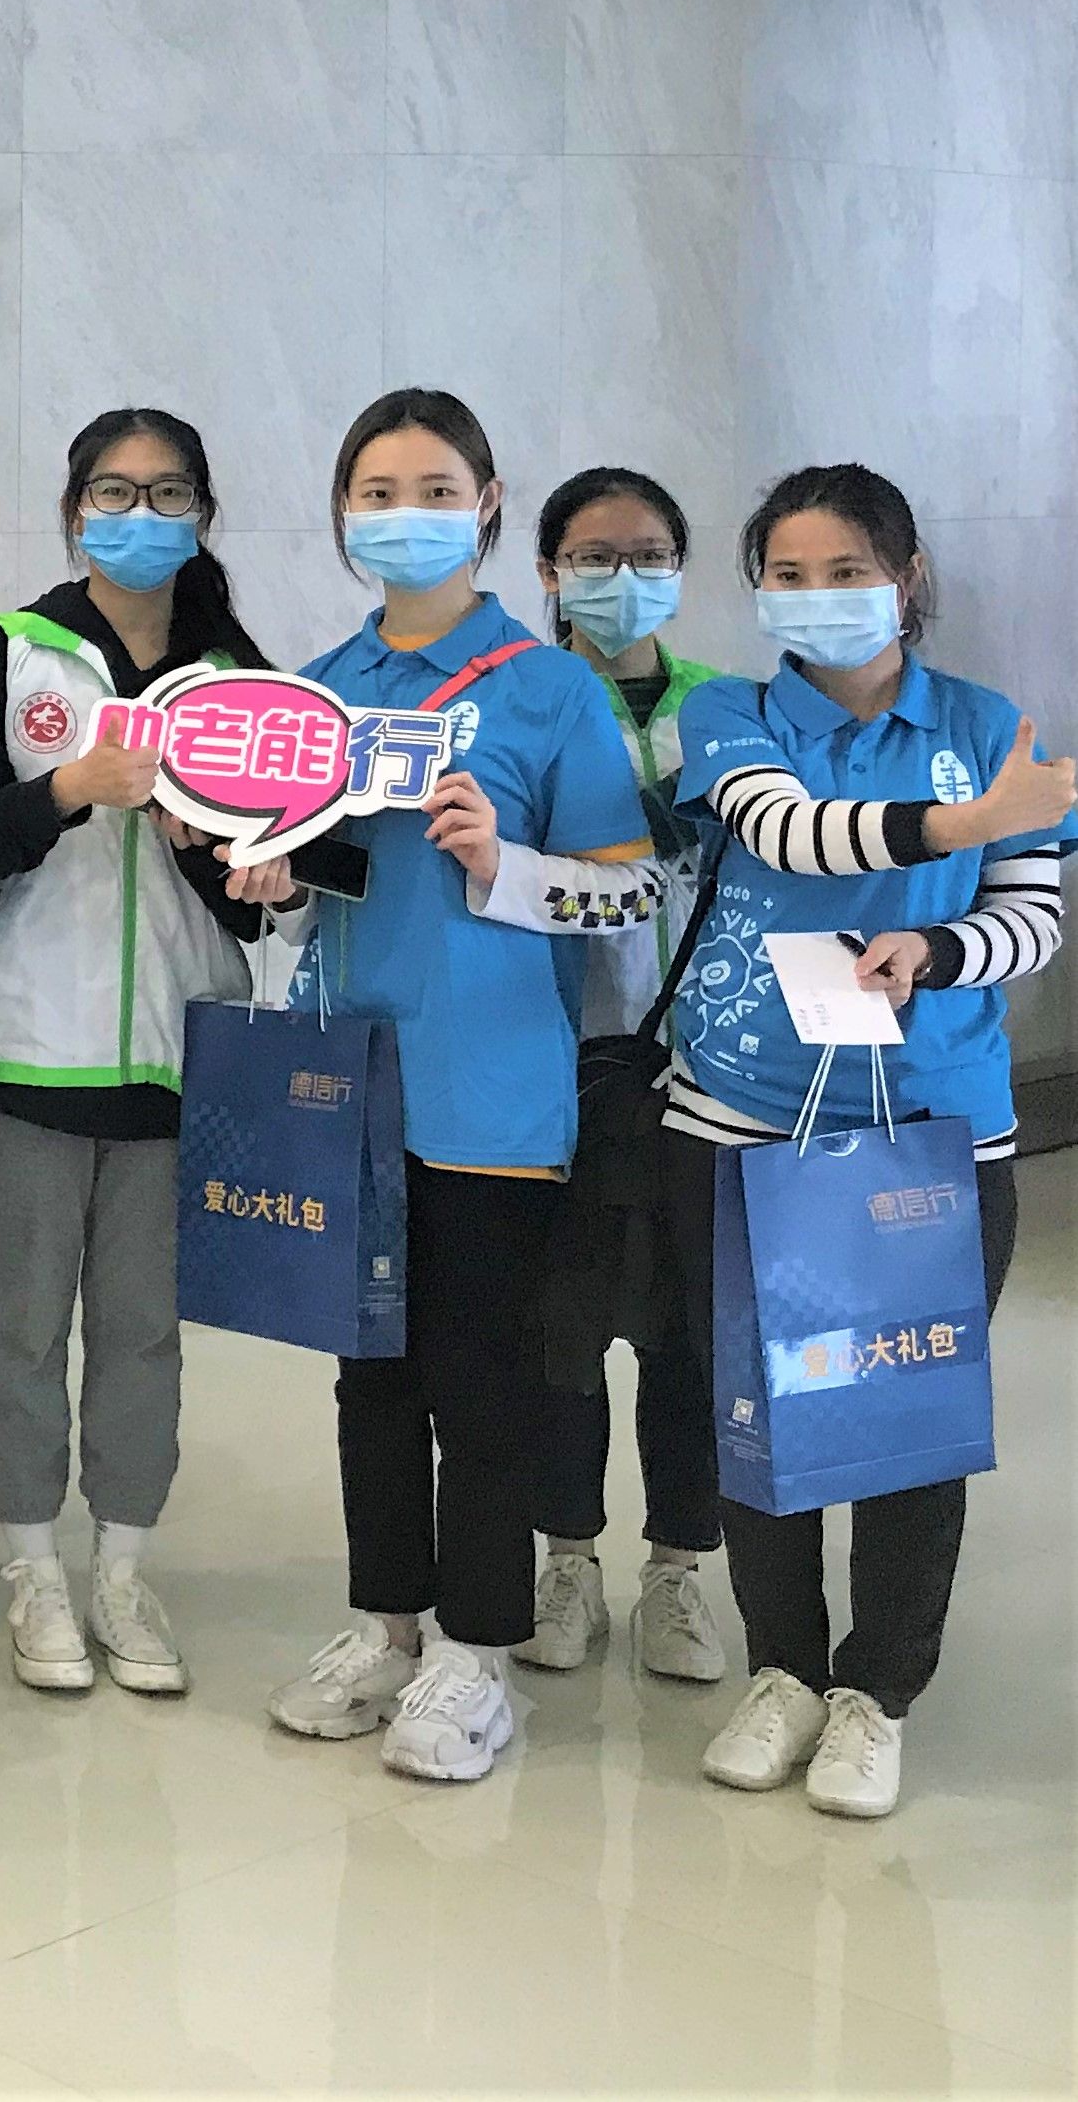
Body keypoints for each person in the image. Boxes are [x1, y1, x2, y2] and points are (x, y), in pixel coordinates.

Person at [663, 466, 1065, 1818]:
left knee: (904, 1413)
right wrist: (958, 826)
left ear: (906, 576)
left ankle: (873, 1691)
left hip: (932, 1131)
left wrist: (936, 949)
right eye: (786, 575)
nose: (817, 597)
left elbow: (1030, 913)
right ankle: (779, 1667)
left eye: (847, 572)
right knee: (756, 1407)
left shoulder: (987, 727)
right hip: (740, 1118)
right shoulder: (728, 716)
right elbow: (785, 832)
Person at [269, 390, 657, 1786]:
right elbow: (328, 880)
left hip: (490, 1088)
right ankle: (386, 1624)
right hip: (348, 1082)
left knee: (479, 1380)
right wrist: (273, 877)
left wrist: (502, 862)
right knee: (367, 1375)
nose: (403, 514)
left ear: (487, 504)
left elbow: (627, 895)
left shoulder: (546, 689)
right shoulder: (318, 687)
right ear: (342, 511)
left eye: (433, 488)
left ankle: (476, 1653)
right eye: (375, 491)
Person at [0, 412, 287, 1698]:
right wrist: (65, 792)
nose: (138, 516)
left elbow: (278, 882)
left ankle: (120, 1572)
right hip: (23, 1055)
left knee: (142, 1337)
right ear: (73, 513)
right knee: (16, 1333)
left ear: (200, 515)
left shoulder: (237, 678)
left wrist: (236, 865)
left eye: (166, 494)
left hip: (179, 1060)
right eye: (113, 493)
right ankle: (31, 1569)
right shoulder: (4, 652)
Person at [518, 465, 728, 1689]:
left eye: (647, 554)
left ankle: (676, 1572)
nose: (620, 578)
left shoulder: (730, 707)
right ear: (547, 570)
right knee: (560, 1326)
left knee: (685, 1331)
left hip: (707, 1063)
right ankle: (564, 1560)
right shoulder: (522, 696)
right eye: (593, 556)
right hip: (556, 1056)